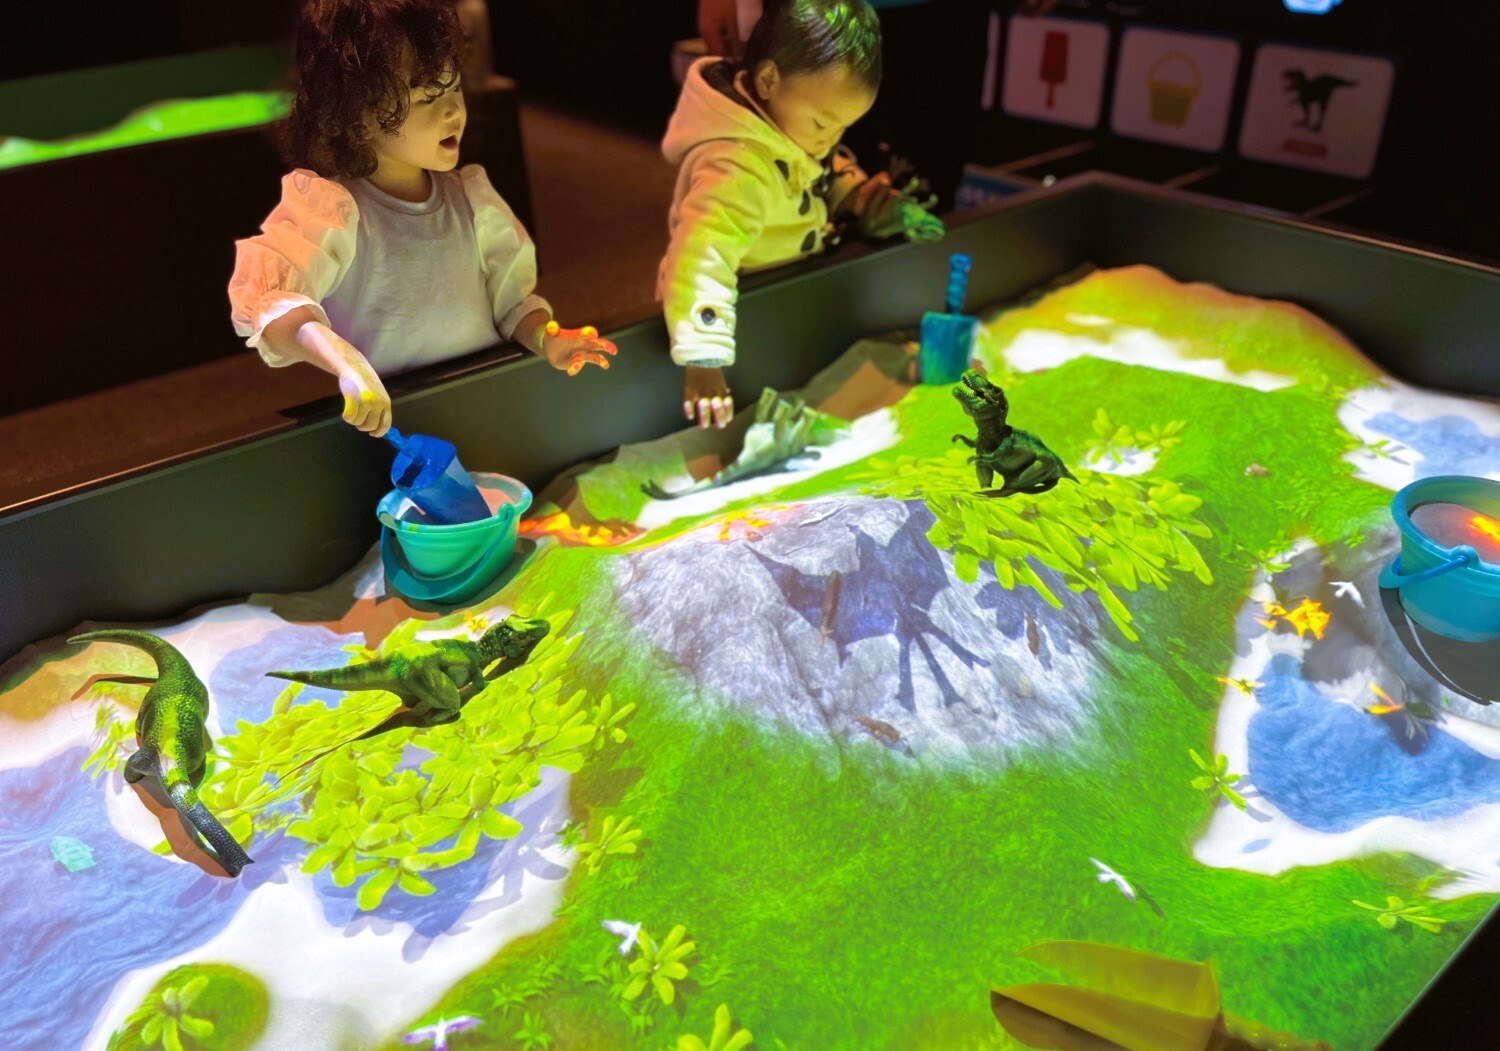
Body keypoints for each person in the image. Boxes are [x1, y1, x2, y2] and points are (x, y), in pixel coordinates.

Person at [229, 0, 614, 438]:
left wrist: (547, 338)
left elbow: (511, 306)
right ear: (360, 118)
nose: (453, 111)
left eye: (453, 88)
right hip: (399, 428)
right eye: (428, 98)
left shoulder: (471, 200)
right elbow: (273, 308)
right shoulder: (331, 211)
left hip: (489, 403)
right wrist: (343, 360)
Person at [661, 0, 929, 430]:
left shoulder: (788, 122)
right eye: (823, 123)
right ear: (768, 80)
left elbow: (815, 171)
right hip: (738, 312)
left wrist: (857, 197)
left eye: (844, 126)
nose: (830, 138)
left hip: (782, 294)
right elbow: (700, 259)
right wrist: (704, 357)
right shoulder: (736, 168)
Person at [698, 0, 1061, 215]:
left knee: (931, 195)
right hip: (817, 12)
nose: (828, 140)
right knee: (793, 196)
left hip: (944, 16)